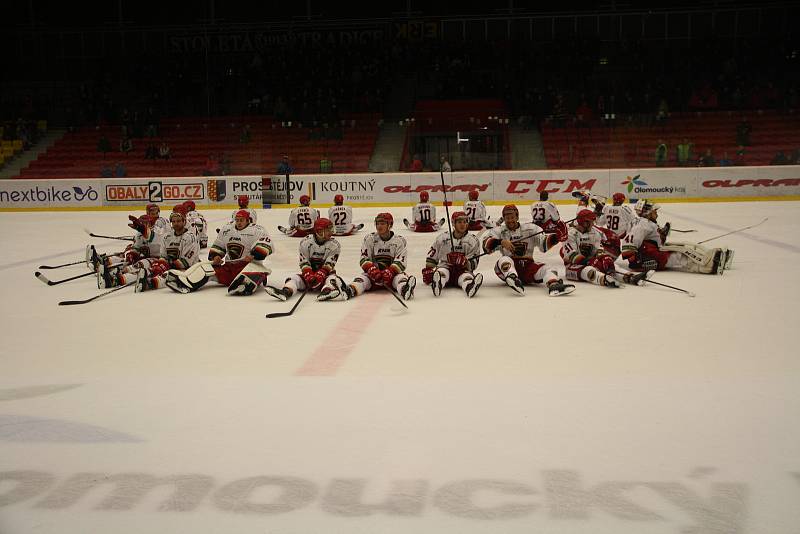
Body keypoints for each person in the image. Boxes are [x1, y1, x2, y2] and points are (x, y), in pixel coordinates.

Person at [165, 210, 273, 295]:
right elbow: (219, 244)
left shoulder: (257, 230)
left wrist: (253, 255)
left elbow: (266, 244)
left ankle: (245, 285)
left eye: (242, 220)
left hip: (247, 266)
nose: (239, 222)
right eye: (237, 220)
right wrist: (216, 256)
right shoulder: (227, 229)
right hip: (229, 267)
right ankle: (186, 283)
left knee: (252, 273)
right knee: (205, 269)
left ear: (247, 220)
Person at [318, 212, 416, 302]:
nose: (379, 226)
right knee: (361, 279)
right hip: (374, 276)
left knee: (400, 278)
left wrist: (390, 271)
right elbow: (364, 258)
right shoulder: (370, 239)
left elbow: (401, 261)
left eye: (382, 223)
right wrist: (371, 269)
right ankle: (349, 291)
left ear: (390, 225)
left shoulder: (399, 241)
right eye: (377, 223)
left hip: (392, 275)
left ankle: (405, 289)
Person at [481, 204, 575, 297]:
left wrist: (556, 237)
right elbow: (486, 245)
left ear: (517, 217)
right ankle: (513, 278)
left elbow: (544, 244)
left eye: (512, 217)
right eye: (507, 218)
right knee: (503, 260)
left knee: (549, 268)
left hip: (528, 268)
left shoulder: (531, 229)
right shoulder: (499, 231)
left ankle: (554, 285)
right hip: (509, 267)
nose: (510, 220)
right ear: (504, 219)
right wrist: (500, 242)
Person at [621, 200, 734, 275]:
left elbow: (653, 239)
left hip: (650, 251)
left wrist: (662, 234)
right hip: (647, 257)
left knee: (684, 246)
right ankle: (708, 266)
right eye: (655, 211)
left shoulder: (645, 222)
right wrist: (635, 261)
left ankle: (709, 256)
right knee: (679, 256)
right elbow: (629, 243)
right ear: (648, 212)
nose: (657, 214)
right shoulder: (643, 224)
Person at [562, 210, 647, 287]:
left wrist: (604, 257)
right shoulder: (570, 235)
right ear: (585, 223)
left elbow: (599, 248)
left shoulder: (595, 233)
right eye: (591, 221)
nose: (593, 224)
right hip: (572, 266)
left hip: (591, 261)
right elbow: (572, 256)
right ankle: (605, 280)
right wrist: (589, 261)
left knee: (611, 264)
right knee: (589, 270)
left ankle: (630, 277)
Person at [265, 218, 341, 301]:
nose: (331, 232)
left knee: (332, 280)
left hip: (326, 275)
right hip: (309, 276)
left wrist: (320, 275)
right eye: (328, 230)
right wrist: (308, 274)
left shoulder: (335, 245)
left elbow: (329, 264)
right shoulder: (305, 242)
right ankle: (286, 292)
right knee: (294, 279)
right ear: (319, 231)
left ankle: (327, 291)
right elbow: (304, 262)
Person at [422, 211, 483, 298]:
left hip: (462, 270)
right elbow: (432, 256)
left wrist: (465, 262)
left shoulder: (473, 241)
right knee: (441, 273)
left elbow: (474, 264)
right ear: (453, 223)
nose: (463, 225)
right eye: (459, 222)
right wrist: (428, 270)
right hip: (445, 267)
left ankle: (469, 286)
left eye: (465, 222)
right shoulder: (442, 238)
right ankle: (438, 284)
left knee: (467, 277)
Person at [593, 192, 636, 257]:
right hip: (622, 237)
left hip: (609, 236)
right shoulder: (624, 208)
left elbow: (599, 223)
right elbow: (634, 220)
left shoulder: (607, 208)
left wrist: (597, 213)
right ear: (622, 200)